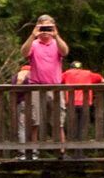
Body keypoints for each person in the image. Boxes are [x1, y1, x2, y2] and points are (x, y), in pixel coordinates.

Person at [22, 15, 69, 151]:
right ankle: (34, 150)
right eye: (43, 27)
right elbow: (24, 53)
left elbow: (65, 52)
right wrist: (33, 35)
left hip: (55, 87)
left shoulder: (56, 43)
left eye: (48, 27)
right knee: (34, 120)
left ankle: (61, 149)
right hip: (36, 86)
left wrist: (56, 35)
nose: (45, 31)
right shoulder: (34, 44)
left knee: (58, 120)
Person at [61, 60, 104, 142]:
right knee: (82, 127)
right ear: (81, 68)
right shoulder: (88, 73)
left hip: (71, 103)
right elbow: (103, 80)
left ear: (71, 68)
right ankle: (80, 152)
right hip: (85, 103)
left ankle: (73, 149)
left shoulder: (67, 73)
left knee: (72, 127)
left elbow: (57, 80)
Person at [13, 62, 34, 159]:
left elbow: (13, 89)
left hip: (22, 103)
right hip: (35, 103)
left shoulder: (18, 75)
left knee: (22, 127)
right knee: (35, 127)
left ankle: (22, 153)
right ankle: (34, 152)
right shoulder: (35, 75)